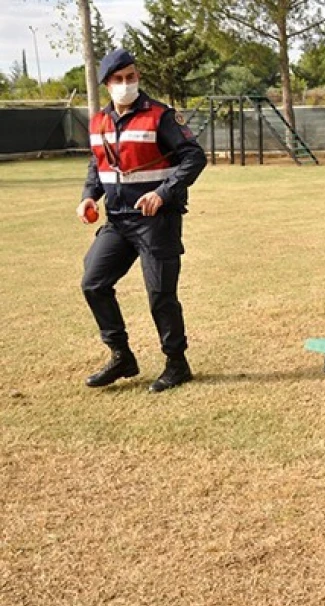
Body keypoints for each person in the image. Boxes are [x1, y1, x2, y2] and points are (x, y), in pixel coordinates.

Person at [77, 48, 207, 392]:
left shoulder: (161, 116)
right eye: (118, 79)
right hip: (118, 221)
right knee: (93, 282)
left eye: (131, 77)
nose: (126, 84)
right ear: (107, 84)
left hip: (157, 220)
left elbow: (194, 157)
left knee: (160, 295)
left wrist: (164, 192)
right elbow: (98, 164)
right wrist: (89, 196)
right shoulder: (98, 122)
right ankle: (122, 356)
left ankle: (177, 364)